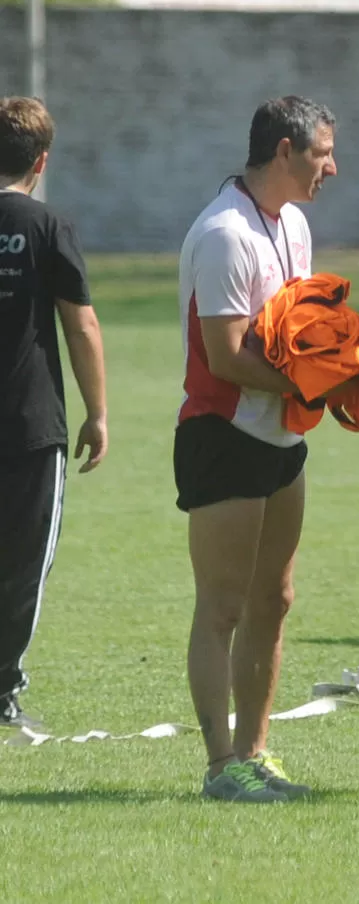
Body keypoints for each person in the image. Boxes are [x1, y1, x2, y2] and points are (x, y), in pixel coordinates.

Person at [175, 95, 342, 801]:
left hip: (281, 438)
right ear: (282, 150)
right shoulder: (223, 233)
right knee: (223, 605)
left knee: (275, 598)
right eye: (321, 153)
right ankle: (220, 767)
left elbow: (293, 326)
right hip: (223, 434)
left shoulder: (293, 224)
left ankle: (256, 751)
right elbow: (227, 356)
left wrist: (341, 358)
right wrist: (313, 383)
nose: (331, 167)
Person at [0, 96, 108, 729]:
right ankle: (3, 691)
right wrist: (98, 412)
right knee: (22, 565)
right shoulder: (49, 227)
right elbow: (82, 325)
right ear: (42, 161)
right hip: (31, 426)